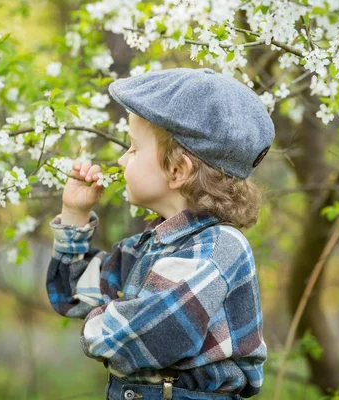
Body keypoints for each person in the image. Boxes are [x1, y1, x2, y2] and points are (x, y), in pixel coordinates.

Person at [46, 67, 275, 400]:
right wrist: (75, 213)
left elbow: (141, 338)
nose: (122, 160)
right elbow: (71, 295)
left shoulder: (219, 249)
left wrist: (99, 325)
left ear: (177, 170)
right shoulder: (148, 247)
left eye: (134, 149)